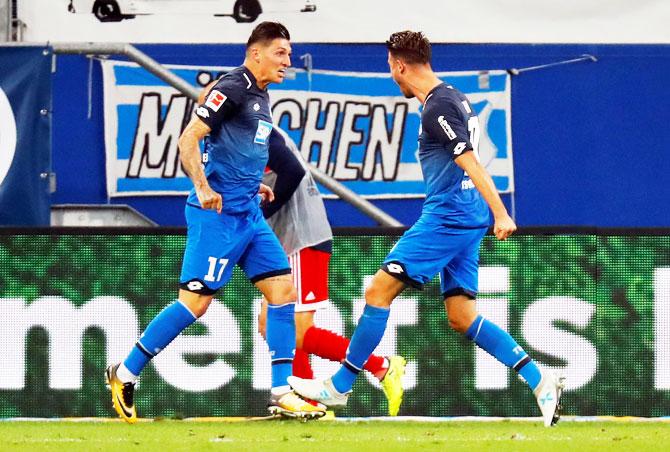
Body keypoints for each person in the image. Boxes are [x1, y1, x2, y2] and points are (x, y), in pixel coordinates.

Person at [288, 30, 565, 427]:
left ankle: (340, 385)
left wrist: (502, 213)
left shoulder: (437, 107)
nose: (391, 76)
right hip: (466, 215)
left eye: (390, 68)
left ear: (400, 65)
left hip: (449, 217)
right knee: (462, 316)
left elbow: (469, 161)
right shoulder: (453, 95)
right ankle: (541, 381)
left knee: (377, 290)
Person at [105, 21, 325, 423]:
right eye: (281, 53)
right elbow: (188, 139)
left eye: (289, 54)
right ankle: (124, 372)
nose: (288, 61)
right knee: (195, 304)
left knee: (282, 291)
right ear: (256, 52)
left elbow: (233, 146)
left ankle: (281, 391)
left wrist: (251, 182)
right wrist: (204, 187)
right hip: (217, 216)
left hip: (248, 214)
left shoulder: (260, 95)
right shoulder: (235, 86)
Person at [258, 127, 407, 416]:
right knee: (270, 324)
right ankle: (306, 404)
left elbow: (292, 170)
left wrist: (262, 213)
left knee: (297, 331)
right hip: (285, 241)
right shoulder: (245, 134)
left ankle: (381, 366)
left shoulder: (257, 128)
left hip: (301, 237)